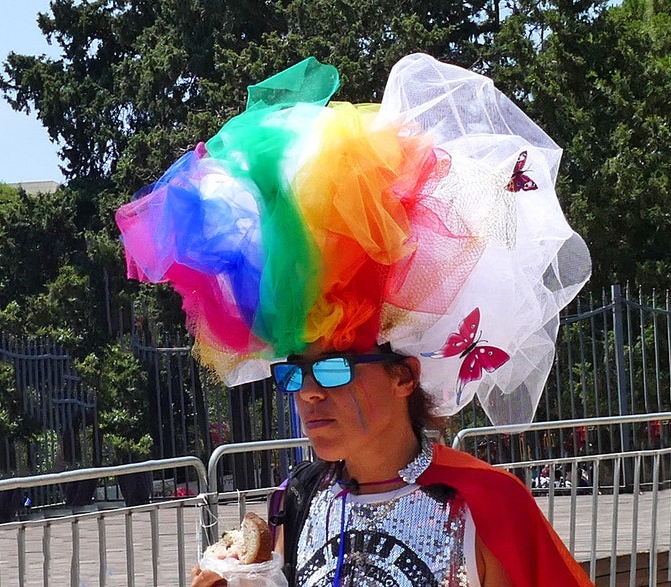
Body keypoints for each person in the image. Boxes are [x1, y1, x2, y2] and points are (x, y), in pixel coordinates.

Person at [117, 53, 593, 586]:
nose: (310, 394)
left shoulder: (486, 505)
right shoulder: (290, 507)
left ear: (404, 377)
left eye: (336, 368)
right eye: (296, 371)